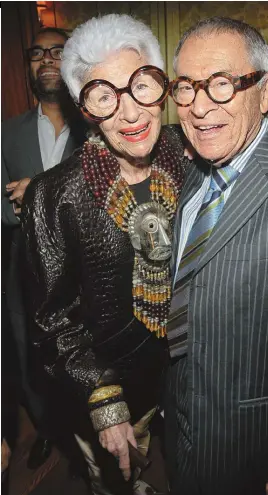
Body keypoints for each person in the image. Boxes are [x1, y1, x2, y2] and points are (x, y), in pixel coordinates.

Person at [165, 16, 268, 495]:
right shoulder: (195, 173)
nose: (198, 108)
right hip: (179, 429)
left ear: (264, 93)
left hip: (255, 449)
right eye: (185, 88)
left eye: (221, 85)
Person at [21, 14, 187, 495]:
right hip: (104, 384)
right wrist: (104, 400)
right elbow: (52, 320)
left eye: (140, 87)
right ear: (84, 107)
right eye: (104, 95)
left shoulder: (184, 157)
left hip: (177, 374)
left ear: (160, 86)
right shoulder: (55, 195)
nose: (130, 113)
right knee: (112, 478)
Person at [1, 26, 87, 470]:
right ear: (29, 66)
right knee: (29, 356)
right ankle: (51, 433)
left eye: (57, 51)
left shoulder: (98, 127)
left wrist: (39, 193)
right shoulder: (6, 132)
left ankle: (83, 440)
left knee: (80, 356)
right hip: (22, 275)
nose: (47, 59)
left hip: (84, 277)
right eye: (37, 53)